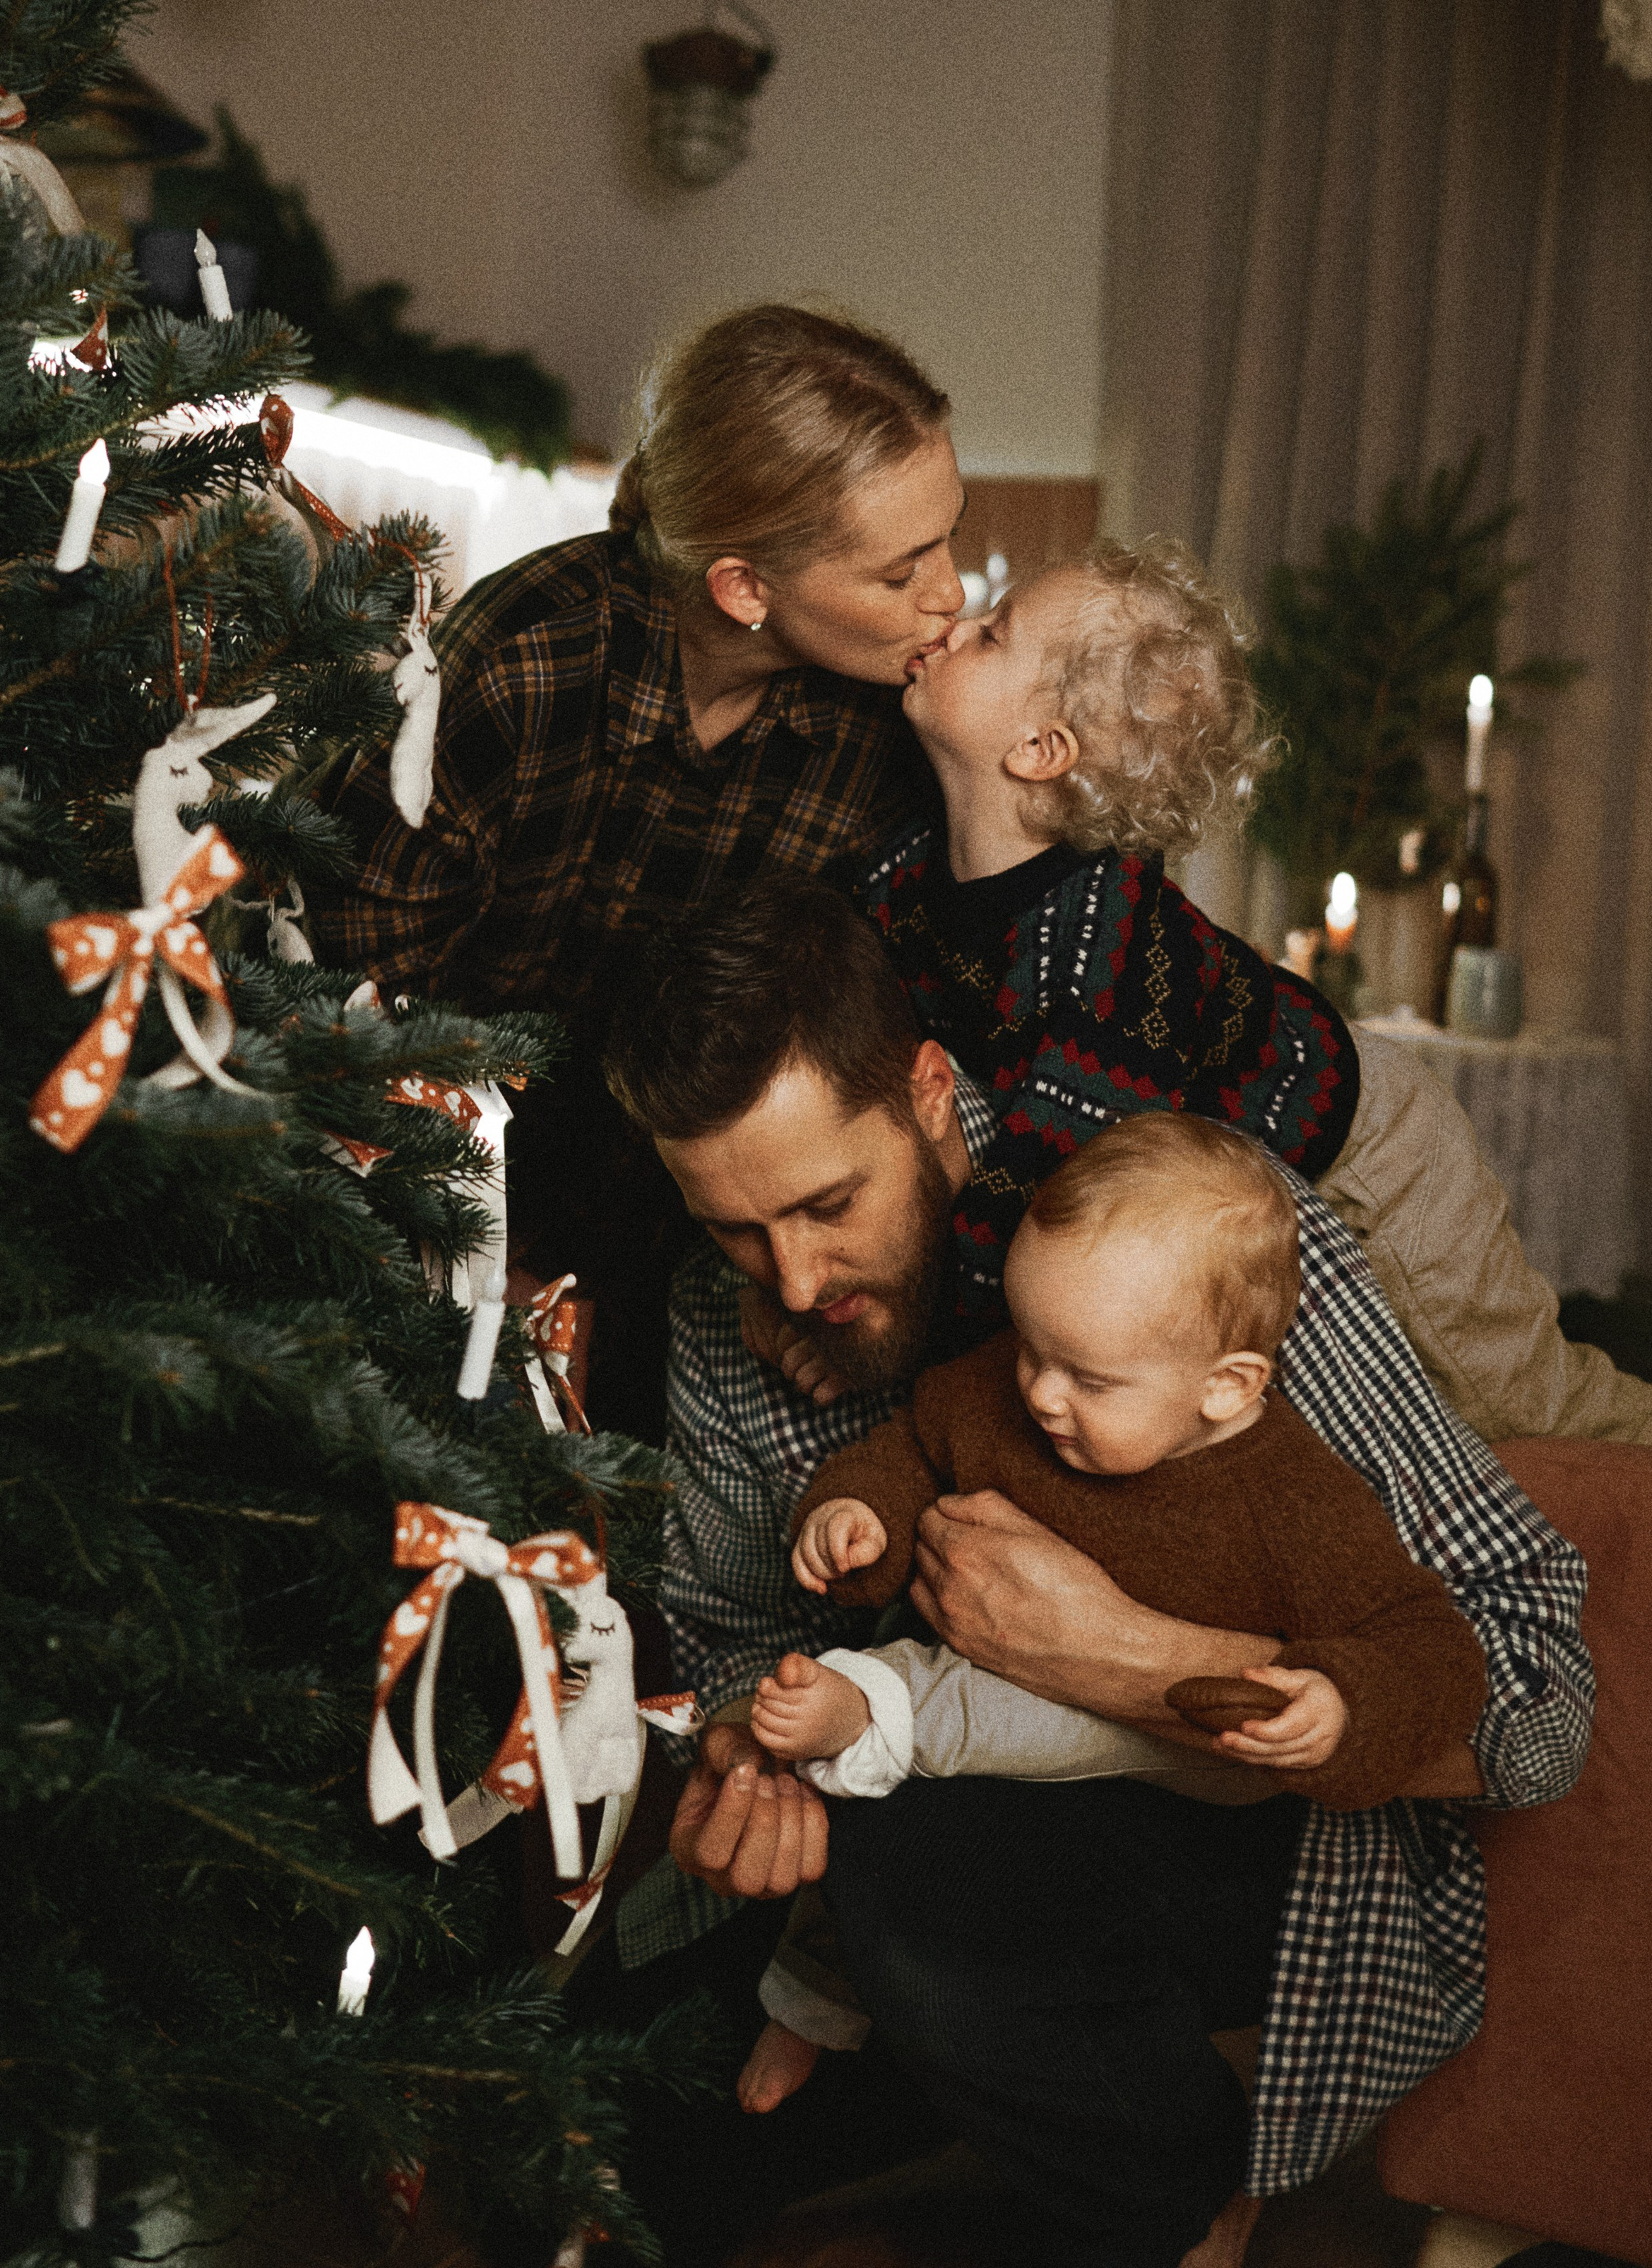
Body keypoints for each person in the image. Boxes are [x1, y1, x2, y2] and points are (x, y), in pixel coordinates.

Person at [602, 881, 1591, 2268]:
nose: (796, 1274)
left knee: (915, 1876)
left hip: (1254, 1840)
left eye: (829, 1203)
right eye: (733, 1228)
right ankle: (1006, 2080)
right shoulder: (731, 1312)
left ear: (928, 1095)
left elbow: (1538, 1709)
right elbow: (724, 1631)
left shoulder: (1190, 1236)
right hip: (902, 1865)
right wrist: (738, 1759)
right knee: (605, 2118)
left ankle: (1186, 2213)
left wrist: (1125, 1654)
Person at [765, 531, 1651, 1447]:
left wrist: (888, 1336)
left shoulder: (1099, 950)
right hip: (1228, 1173)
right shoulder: (904, 873)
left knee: (1519, 1403)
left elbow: (1043, 1195)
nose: (955, 622)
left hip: (1373, 1156)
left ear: (1038, 747)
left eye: (993, 633)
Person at [305, 301, 965, 1434]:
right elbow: (340, 1004)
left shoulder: (891, 730)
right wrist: (455, 1261)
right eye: (904, 570)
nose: (950, 596)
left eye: (949, 538)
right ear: (745, 588)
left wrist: (764, 1275)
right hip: (439, 1171)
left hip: (691, 1203)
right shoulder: (516, 667)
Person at [757, 1115, 1487, 1824]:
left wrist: (1342, 1707)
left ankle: (869, 1712)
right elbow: (914, 1442)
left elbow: (1432, 1649)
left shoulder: (1297, 1503)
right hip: (1008, 1793)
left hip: (1198, 1765)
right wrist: (856, 1512)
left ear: (1226, 1386)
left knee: (1035, 1716)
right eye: (1029, 1347)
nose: (1040, 1391)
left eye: (1090, 1380)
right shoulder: (1004, 1389)